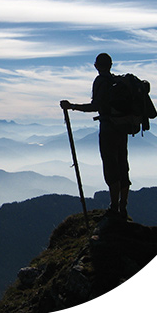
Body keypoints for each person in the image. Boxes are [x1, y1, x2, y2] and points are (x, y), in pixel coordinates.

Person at [60, 53, 131, 219]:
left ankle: (114, 208)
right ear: (111, 64)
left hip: (108, 128)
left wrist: (72, 107)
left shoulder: (102, 81)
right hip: (122, 128)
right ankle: (123, 207)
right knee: (122, 165)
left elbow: (96, 106)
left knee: (111, 167)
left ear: (96, 65)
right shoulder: (117, 82)